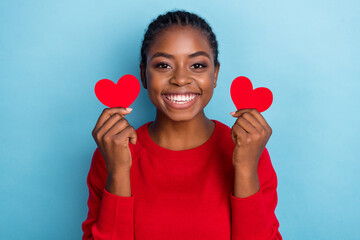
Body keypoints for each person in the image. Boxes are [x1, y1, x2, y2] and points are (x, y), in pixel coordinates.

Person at [82, 9, 282, 240]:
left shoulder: (250, 150)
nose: (180, 79)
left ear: (215, 74)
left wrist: (246, 169)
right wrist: (118, 171)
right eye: (163, 65)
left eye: (197, 65)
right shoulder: (112, 151)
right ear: (143, 74)